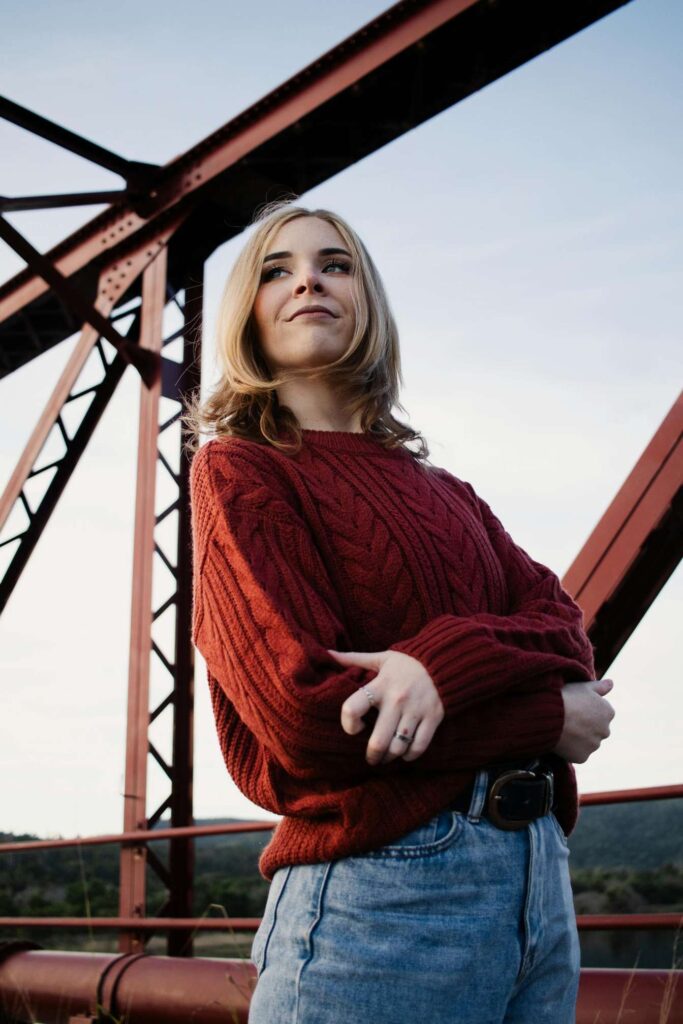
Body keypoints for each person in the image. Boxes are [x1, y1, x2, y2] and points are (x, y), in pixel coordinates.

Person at [185, 200, 615, 1024]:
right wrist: (536, 715)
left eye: (334, 264)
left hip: (536, 883)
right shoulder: (239, 473)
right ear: (248, 314)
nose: (308, 278)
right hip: (382, 898)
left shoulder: (447, 493)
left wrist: (436, 667)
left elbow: (563, 629)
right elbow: (307, 718)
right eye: (276, 270)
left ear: (368, 300)